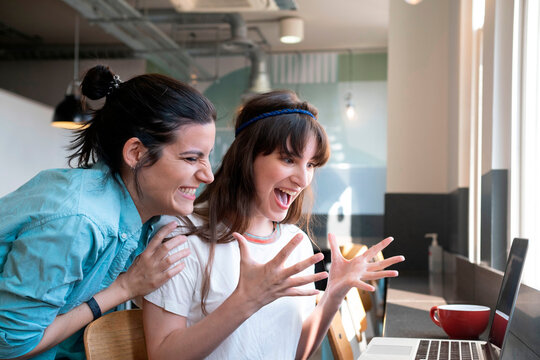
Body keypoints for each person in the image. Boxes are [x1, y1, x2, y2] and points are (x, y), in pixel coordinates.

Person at [142, 90, 405, 360]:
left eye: (311, 164)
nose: (303, 179)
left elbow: (296, 351)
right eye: (288, 159)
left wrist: (334, 294)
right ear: (247, 158)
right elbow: (162, 354)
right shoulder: (184, 236)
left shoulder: (295, 243)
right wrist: (244, 302)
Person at [0, 65, 217, 360]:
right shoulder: (78, 222)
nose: (208, 175)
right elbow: (13, 345)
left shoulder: (151, 217)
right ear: (136, 153)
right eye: (192, 158)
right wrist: (125, 287)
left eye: (208, 157)